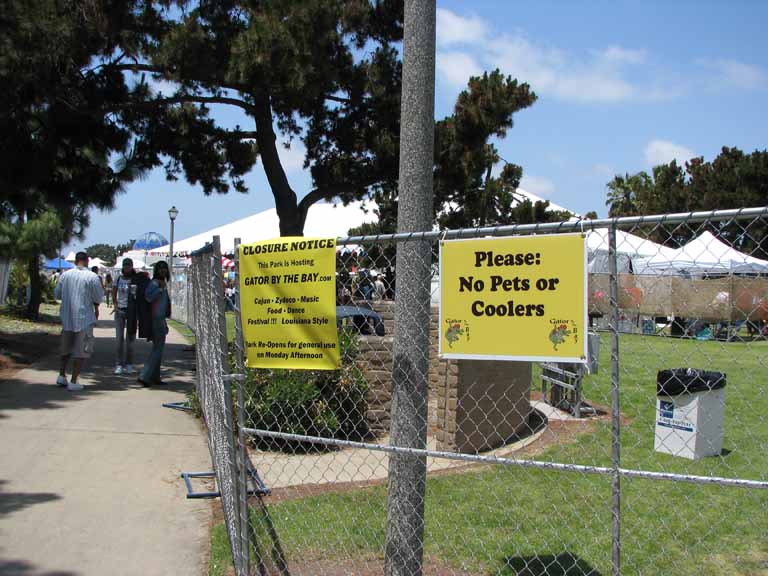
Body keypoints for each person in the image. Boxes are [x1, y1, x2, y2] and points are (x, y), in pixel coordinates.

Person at [54, 252, 104, 391]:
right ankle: (74, 380)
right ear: (87, 261)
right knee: (81, 351)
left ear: (75, 261)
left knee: (65, 349)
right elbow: (98, 297)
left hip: (67, 317)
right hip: (84, 318)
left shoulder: (65, 275)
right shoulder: (92, 277)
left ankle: (61, 375)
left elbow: (57, 294)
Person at [138, 261, 171, 387]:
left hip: (160, 318)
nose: (163, 270)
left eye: (165, 268)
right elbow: (148, 297)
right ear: (156, 270)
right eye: (160, 268)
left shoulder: (162, 282)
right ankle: (144, 376)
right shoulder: (155, 283)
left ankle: (155, 376)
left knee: (158, 348)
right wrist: (160, 290)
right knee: (158, 349)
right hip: (156, 319)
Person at [112, 259, 137, 375]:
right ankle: (118, 364)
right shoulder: (118, 278)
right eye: (125, 266)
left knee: (130, 340)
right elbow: (113, 291)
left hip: (132, 311)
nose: (127, 268)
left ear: (132, 267)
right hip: (120, 311)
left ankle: (129, 364)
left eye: (129, 266)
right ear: (123, 267)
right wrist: (115, 305)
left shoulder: (135, 279)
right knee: (119, 339)